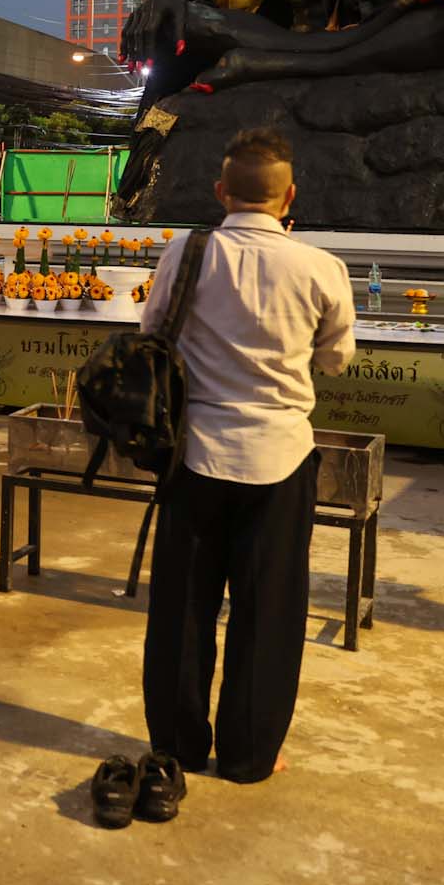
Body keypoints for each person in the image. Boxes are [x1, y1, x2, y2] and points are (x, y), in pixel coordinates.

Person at [136, 128, 356, 787]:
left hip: (194, 451)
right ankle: (250, 754)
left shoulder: (185, 252)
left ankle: (176, 744)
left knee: (183, 608)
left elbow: (150, 335)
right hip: (281, 458)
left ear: (220, 191)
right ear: (290, 196)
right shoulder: (319, 266)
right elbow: (336, 358)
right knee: (268, 611)